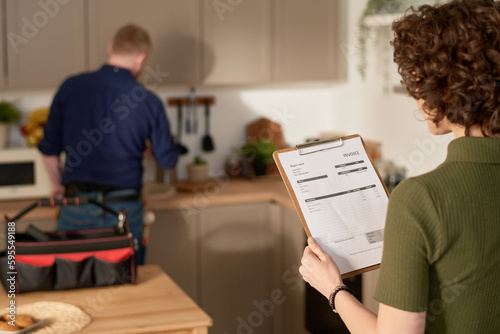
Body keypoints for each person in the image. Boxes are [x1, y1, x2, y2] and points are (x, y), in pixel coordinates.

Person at [299, 0, 500, 333]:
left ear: (446, 90)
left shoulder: (420, 198)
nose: (415, 94)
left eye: (420, 81)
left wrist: (333, 289)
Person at [38, 24, 179, 264]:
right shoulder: (148, 100)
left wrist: (57, 185)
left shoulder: (71, 86)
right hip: (124, 209)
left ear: (111, 47)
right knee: (125, 283)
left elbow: (49, 151)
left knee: (70, 282)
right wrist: (149, 150)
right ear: (141, 58)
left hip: (76, 203)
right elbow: (168, 160)